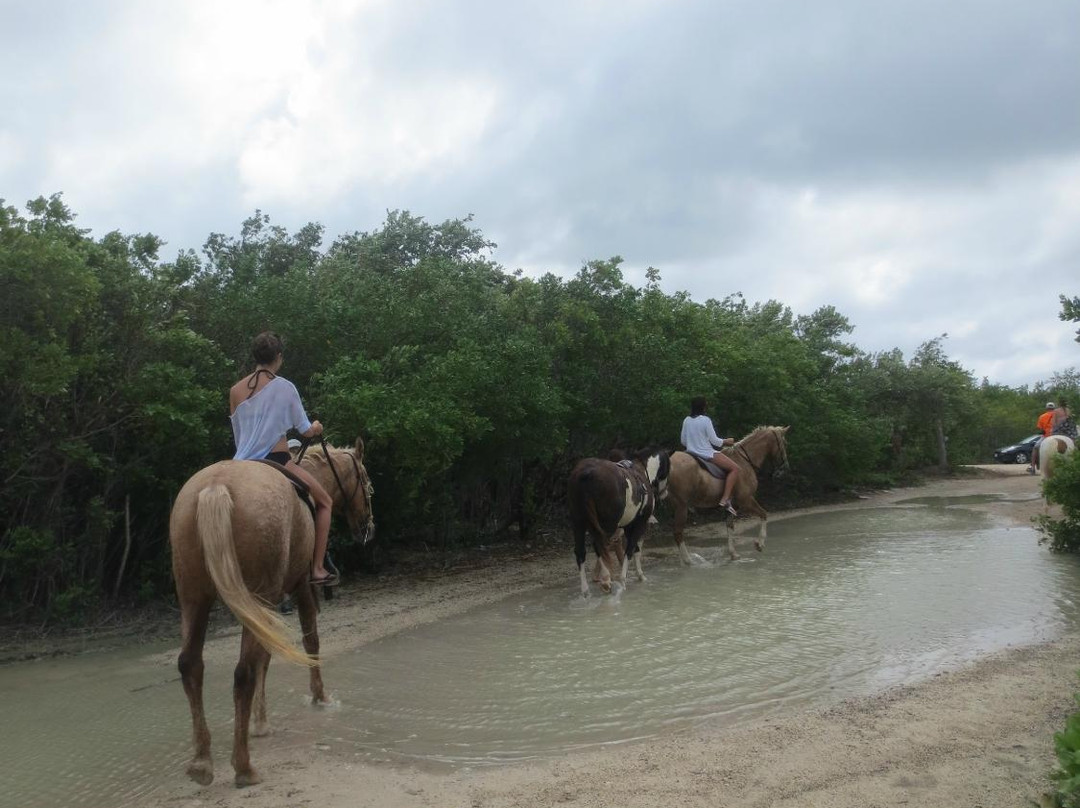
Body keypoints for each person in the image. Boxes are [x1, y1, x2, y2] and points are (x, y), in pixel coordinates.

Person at [229, 332, 337, 586]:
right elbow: (305, 430)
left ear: (255, 356)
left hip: (240, 463)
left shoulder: (235, 391)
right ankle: (318, 568)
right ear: (278, 357)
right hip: (276, 459)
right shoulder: (285, 387)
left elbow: (239, 436)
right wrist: (317, 427)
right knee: (325, 502)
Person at [680, 396, 739, 516]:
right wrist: (727, 441)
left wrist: (693, 443)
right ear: (703, 407)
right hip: (706, 453)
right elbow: (715, 441)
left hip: (690, 452)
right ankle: (725, 500)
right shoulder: (706, 420)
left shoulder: (686, 420)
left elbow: (683, 441)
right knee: (735, 469)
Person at [1030, 401, 1056, 474]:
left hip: (1046, 437)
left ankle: (1032, 467)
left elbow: (1041, 429)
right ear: (1054, 408)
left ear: (1046, 408)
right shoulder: (1058, 416)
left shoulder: (1042, 416)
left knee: (1035, 448)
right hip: (1056, 435)